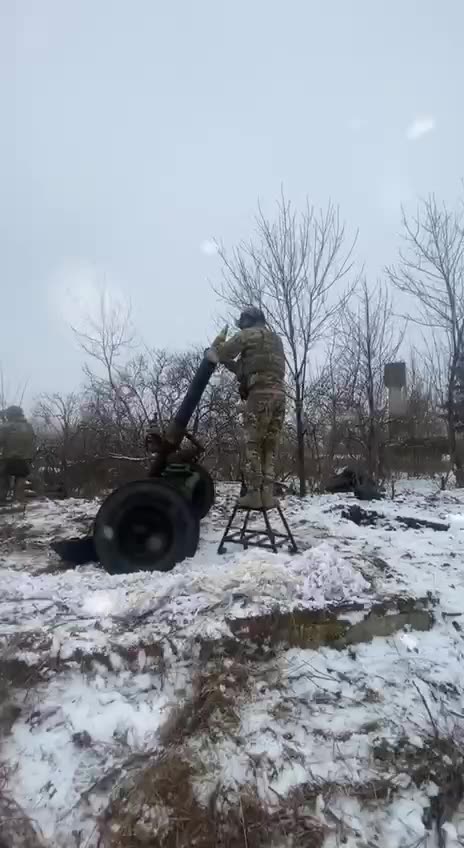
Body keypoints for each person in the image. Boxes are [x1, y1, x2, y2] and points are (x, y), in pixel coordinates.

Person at [207, 307, 286, 509]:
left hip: (259, 395)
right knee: (270, 446)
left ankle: (253, 494)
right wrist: (232, 365)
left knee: (253, 444)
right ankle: (267, 495)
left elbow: (220, 352)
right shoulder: (276, 339)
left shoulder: (247, 335)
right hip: (280, 396)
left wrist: (215, 348)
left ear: (248, 320)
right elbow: (251, 367)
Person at [0, 406, 35, 505]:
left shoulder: (7, 426)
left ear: (10, 415)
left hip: (9, 458)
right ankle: (18, 500)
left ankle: (1, 499)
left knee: (3, 477)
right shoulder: (29, 426)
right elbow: (32, 441)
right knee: (20, 477)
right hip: (25, 458)